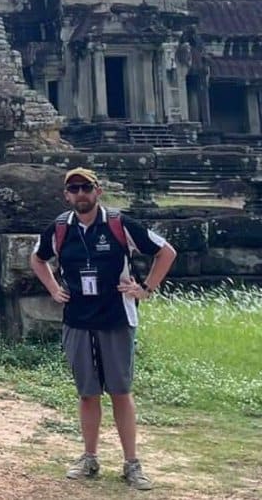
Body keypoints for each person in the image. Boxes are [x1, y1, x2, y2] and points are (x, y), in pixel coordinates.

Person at [30, 168, 175, 491]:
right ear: (66, 195)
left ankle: (131, 463)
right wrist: (53, 289)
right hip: (78, 319)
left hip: (116, 317)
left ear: (98, 191)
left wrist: (146, 288)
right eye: (74, 189)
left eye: (86, 187)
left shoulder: (119, 224)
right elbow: (38, 259)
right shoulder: (60, 228)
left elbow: (166, 252)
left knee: (121, 391)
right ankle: (89, 457)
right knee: (87, 393)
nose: (80, 194)